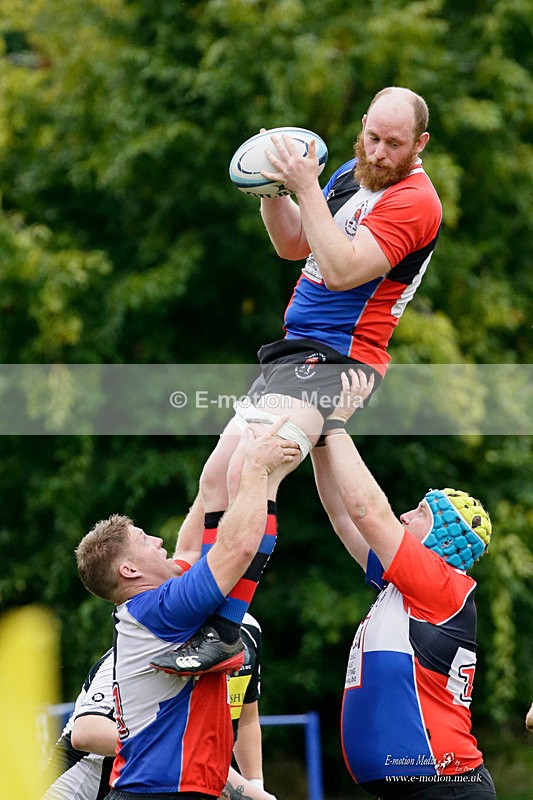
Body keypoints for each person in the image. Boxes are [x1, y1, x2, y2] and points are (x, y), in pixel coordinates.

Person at [169, 86, 443, 674]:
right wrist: (271, 188)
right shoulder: (352, 170)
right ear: (363, 124)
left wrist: (304, 184)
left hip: (340, 359)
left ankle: (224, 627)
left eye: (395, 143)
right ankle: (196, 607)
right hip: (294, 352)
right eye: (372, 135)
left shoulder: (418, 202)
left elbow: (343, 269)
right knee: (217, 476)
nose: (379, 150)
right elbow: (296, 243)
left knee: (254, 466)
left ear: (419, 144)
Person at [74, 418, 298, 800]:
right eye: (145, 540)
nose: (160, 539)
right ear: (129, 570)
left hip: (159, 790)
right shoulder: (161, 609)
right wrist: (257, 470)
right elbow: (238, 549)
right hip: (160, 793)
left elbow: (196, 547)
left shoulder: (150, 603)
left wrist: (239, 428)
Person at [310, 369, 497, 798]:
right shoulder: (411, 587)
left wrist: (337, 424)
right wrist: (320, 436)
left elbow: (367, 512)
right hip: (425, 784)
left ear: (442, 541)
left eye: (420, 513)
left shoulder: (439, 581)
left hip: (443, 784)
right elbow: (342, 516)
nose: (405, 517)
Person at [42, 614, 275, 800]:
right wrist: (181, 753)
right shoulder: (148, 642)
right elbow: (86, 732)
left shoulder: (247, 631)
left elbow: (247, 718)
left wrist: (256, 786)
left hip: (147, 786)